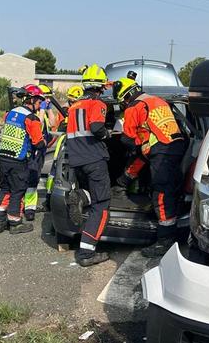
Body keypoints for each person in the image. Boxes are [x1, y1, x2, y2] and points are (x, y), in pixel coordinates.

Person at [112, 76, 187, 258]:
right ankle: (121, 185)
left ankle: (165, 240)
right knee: (169, 188)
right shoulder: (157, 100)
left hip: (161, 150)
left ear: (125, 96)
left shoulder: (134, 107)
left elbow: (127, 138)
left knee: (161, 194)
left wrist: (129, 145)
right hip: (176, 146)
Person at [65, 64, 111, 267]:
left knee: (92, 194)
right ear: (100, 86)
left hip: (77, 160)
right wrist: (107, 134)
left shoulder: (74, 106)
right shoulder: (98, 103)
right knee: (102, 204)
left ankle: (81, 196)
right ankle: (86, 253)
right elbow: (96, 127)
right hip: (94, 159)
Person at [0, 86, 46, 234]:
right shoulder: (32, 118)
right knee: (18, 191)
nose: (39, 105)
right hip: (19, 159)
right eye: (39, 102)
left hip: (4, 157)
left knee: (5, 189)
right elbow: (38, 142)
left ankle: (0, 221)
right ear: (32, 100)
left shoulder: (10, 113)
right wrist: (45, 142)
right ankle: (15, 222)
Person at [24, 84, 53, 221]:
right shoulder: (33, 113)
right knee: (30, 178)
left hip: (41, 151)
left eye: (47, 98)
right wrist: (41, 110)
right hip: (32, 151)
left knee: (34, 179)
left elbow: (52, 123)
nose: (45, 101)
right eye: (43, 99)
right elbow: (38, 125)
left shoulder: (43, 111)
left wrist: (49, 110)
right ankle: (27, 207)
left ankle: (30, 206)